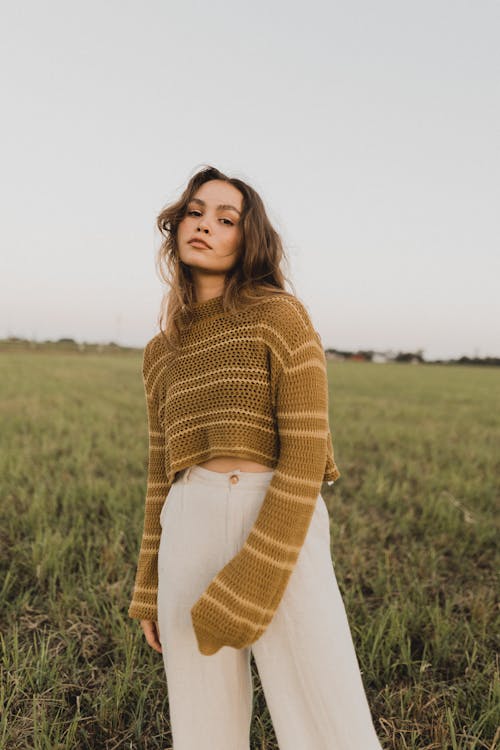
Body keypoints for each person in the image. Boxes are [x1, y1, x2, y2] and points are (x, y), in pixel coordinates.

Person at [128, 165, 384, 750]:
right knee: (201, 723)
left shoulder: (280, 316)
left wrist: (258, 569)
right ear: (176, 226)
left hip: (275, 516)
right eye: (195, 212)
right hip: (186, 524)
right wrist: (148, 583)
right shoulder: (160, 352)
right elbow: (158, 473)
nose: (205, 225)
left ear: (249, 239)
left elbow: (305, 454)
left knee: (327, 711)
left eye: (226, 218)